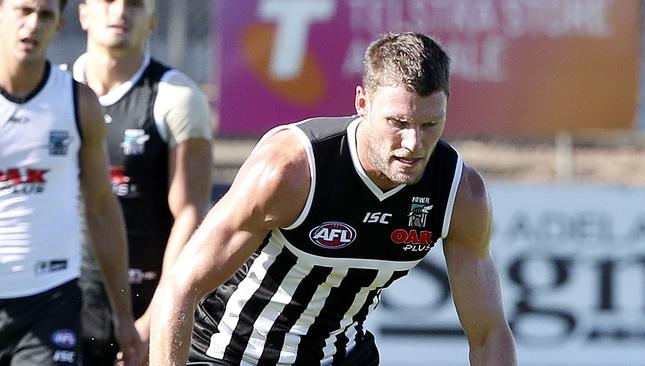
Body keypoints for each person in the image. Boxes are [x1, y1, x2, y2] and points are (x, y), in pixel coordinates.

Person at [149, 32, 517, 365]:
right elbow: (181, 286)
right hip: (226, 355)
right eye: (398, 123)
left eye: (429, 125)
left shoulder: (459, 192)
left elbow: (489, 336)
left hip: (339, 357)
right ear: (362, 102)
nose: (413, 145)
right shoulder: (291, 171)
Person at [0, 0, 144, 365]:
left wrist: (124, 317)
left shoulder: (77, 102)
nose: (32, 25)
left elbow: (100, 207)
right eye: (23, 11)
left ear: (59, 26)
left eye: (45, 15)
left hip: (50, 301)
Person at [70, 0, 214, 364]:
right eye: (107, 2)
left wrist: (157, 317)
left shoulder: (177, 97)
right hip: (62, 303)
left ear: (151, 23)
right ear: (83, 13)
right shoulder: (56, 93)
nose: (119, 12)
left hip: (146, 303)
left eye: (134, 4)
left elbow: (191, 215)